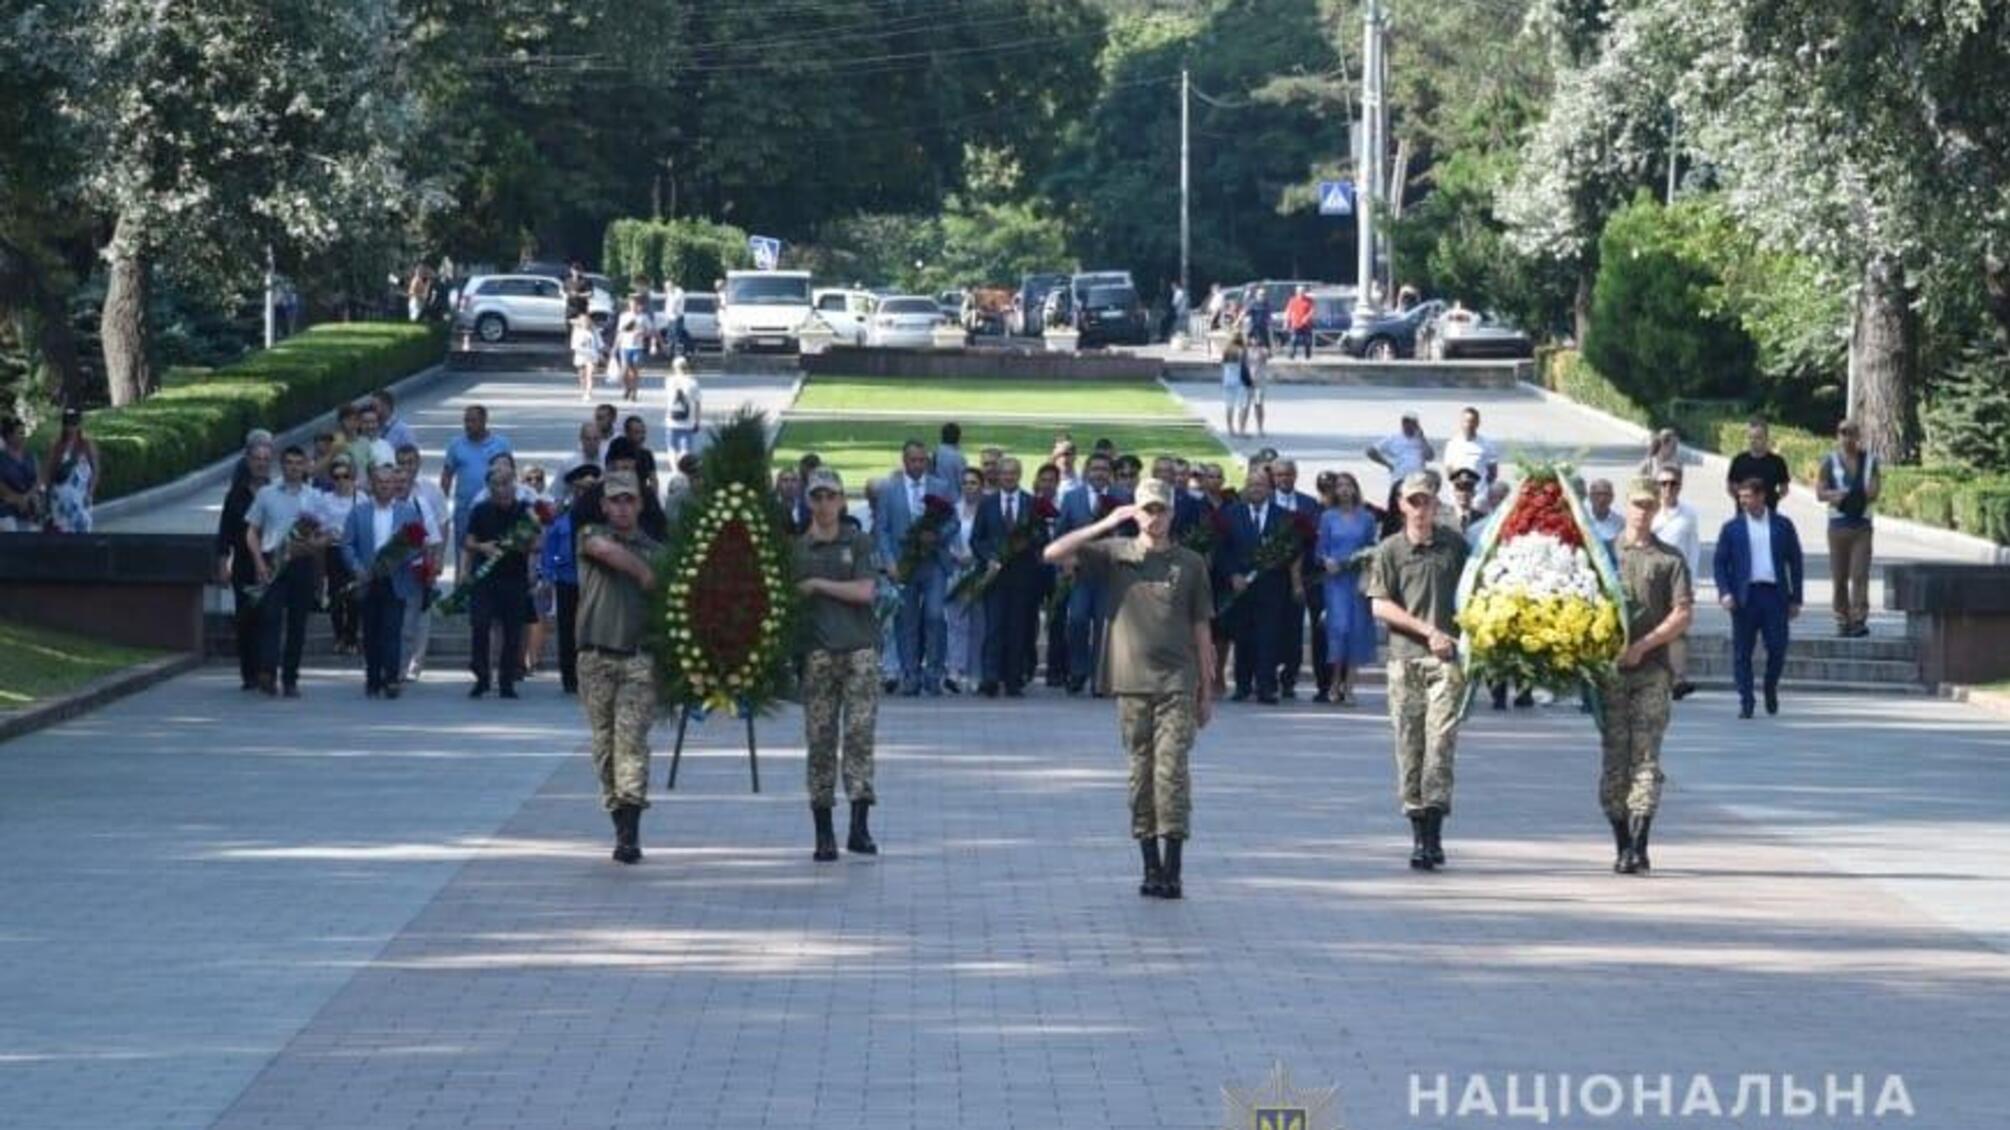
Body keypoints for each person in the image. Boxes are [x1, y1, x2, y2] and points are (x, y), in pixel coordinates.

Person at [1043, 478, 1215, 899]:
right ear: (1136, 512)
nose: (1154, 518)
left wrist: (1207, 687)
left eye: (1161, 510)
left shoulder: (1190, 562)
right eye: (1146, 510)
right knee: (1141, 773)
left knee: (1171, 771)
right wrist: (1107, 522)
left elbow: (1201, 627)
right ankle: (1150, 864)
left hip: (1178, 680)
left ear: (1173, 513)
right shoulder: (1118, 555)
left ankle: (1173, 867)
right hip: (1132, 682)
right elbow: (1053, 553)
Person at [1366, 472, 1470, 871]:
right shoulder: (1390, 549)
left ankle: (1435, 833)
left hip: (1446, 662)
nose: (1420, 509)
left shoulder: (1454, 546)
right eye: (1413, 501)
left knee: (1440, 743)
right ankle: (1416, 831)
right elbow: (1380, 604)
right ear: (1401, 505)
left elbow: (1474, 592)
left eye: (1426, 501)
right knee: (1410, 745)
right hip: (1406, 658)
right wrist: (1428, 631)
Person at [1599, 478, 1695, 875]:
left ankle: (1639, 844)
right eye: (1636, 504)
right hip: (1611, 674)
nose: (1641, 511)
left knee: (1646, 758)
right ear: (1627, 505)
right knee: (1614, 760)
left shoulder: (1669, 560)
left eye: (1648, 505)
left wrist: (1644, 644)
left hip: (1652, 670)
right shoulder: (1603, 554)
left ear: (1656, 509)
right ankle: (1621, 841)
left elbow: (1683, 613)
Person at [792, 469, 884, 861]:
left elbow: (866, 591)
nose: (824, 504)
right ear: (808, 502)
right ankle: (823, 832)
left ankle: (859, 827)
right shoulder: (798, 549)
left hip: (858, 649)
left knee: (860, 736)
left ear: (842, 501)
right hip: (818, 653)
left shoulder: (857, 541)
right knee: (821, 741)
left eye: (831, 496)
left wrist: (817, 586)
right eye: (817, 497)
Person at [574, 470, 663, 864]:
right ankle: (616, 814)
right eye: (616, 501)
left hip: (637, 658)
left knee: (631, 743)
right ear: (605, 505)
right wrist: (643, 572)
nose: (623, 507)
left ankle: (630, 831)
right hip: (595, 656)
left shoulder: (656, 549)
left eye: (630, 500)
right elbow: (605, 552)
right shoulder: (592, 534)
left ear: (640, 505)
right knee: (603, 746)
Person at [1714, 477, 1805, 719]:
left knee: (1777, 647)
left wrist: (1796, 598)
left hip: (1774, 595)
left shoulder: (1782, 525)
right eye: (1740, 498)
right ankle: (1746, 700)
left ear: (1761, 496)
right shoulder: (1731, 528)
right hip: (1745, 596)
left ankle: (1770, 686)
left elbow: (1795, 562)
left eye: (1747, 497)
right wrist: (1725, 592)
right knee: (1742, 651)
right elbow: (1720, 563)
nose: (1743, 502)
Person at [875, 440, 959, 696]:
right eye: (913, 460)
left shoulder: (941, 487)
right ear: (905, 461)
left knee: (934, 616)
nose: (918, 465)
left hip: (933, 563)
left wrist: (937, 536)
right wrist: (889, 563)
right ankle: (910, 674)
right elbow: (882, 530)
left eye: (922, 460)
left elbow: (953, 522)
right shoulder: (889, 489)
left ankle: (933, 673)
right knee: (906, 620)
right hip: (903, 564)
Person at [244, 445, 325, 697]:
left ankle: (291, 678)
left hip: (302, 563)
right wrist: (258, 563)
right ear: (282, 466)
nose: (294, 467)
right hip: (273, 561)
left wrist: (312, 545)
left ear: (306, 466)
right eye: (289, 463)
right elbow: (251, 531)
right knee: (270, 617)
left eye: (298, 463)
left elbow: (325, 535)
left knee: (298, 624)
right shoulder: (267, 494)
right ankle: (268, 672)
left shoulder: (314, 497)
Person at [341, 463, 425, 698]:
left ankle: (391, 678)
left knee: (392, 629)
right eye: (380, 482)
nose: (385, 486)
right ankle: (373, 677)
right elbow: (347, 544)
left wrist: (399, 559)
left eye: (389, 483)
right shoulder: (359, 512)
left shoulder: (407, 512)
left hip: (396, 578)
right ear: (372, 485)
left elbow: (418, 544)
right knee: (370, 630)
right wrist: (357, 568)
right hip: (368, 578)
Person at [1056, 453, 1128, 695]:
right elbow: (1061, 532)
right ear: (1086, 471)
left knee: (1103, 625)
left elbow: (1132, 535)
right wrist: (1065, 559)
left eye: (1104, 469)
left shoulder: (1122, 498)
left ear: (1110, 473)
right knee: (1076, 620)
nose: (1099, 473)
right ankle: (1078, 670)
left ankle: (1100, 678)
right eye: (1095, 468)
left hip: (1109, 574)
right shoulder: (1071, 498)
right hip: (1080, 574)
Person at [971, 456, 1043, 698]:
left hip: (1022, 576)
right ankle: (990, 678)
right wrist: (989, 557)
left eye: (1013, 473)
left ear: (1019, 475)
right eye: (1004, 473)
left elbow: (1041, 537)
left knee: (1017, 628)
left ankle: (1013, 679)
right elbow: (976, 539)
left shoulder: (1031, 503)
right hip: (995, 575)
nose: (1008, 477)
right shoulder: (987, 504)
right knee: (994, 627)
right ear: (998, 476)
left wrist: (1027, 542)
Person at [1218, 466, 1290, 705]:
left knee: (1268, 637)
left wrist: (1273, 564)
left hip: (1271, 586)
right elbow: (1223, 549)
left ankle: (1266, 687)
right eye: (1251, 485)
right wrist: (1233, 574)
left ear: (1270, 489)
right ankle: (1242, 685)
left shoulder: (1283, 516)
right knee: (1243, 637)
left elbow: (1289, 550)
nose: (1256, 489)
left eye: (1260, 485)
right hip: (1240, 588)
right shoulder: (1231, 514)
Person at [463, 462, 536, 699]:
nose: (503, 489)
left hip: (514, 578)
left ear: (514, 485)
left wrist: (524, 543)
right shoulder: (480, 510)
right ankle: (482, 676)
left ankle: (507, 680)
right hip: (485, 577)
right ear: (489, 488)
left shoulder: (525, 510)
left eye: (507, 483)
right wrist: (482, 547)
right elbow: (468, 542)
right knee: (480, 624)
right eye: (497, 484)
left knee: (513, 631)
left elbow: (538, 544)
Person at [1317, 472, 1379, 706]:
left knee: (1357, 630)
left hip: (1357, 580)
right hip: (1335, 582)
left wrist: (1364, 561)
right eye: (1340, 486)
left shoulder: (1367, 518)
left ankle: (1350, 686)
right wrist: (1326, 561)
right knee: (1339, 629)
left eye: (1348, 485)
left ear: (1355, 489)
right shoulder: (1328, 517)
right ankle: (1334, 682)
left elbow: (1372, 548)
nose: (1344, 490)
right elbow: (1319, 549)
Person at [216, 438, 273, 690]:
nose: (261, 464)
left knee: (268, 617)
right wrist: (222, 563)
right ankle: (249, 673)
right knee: (246, 618)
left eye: (265, 459)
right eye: (257, 459)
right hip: (244, 565)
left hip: (273, 563)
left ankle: (266, 669)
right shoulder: (236, 496)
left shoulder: (276, 492)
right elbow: (225, 533)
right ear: (248, 461)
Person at [1817, 419, 1880, 638]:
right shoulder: (1829, 460)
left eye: (1851, 433)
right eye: (1842, 433)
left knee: (1860, 574)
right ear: (1837, 436)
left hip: (1861, 526)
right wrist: (1838, 496)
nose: (1847, 437)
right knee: (1839, 576)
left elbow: (1874, 490)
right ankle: (1842, 618)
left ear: (1858, 436)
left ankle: (1859, 619)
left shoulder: (1870, 461)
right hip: (1838, 527)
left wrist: (1854, 497)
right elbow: (1820, 492)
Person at [542, 463, 599, 695]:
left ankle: (592, 675)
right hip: (567, 580)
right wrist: (546, 576)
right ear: (573, 491)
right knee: (567, 629)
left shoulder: (601, 518)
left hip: (595, 581)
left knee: (594, 629)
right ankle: (569, 677)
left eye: (588, 490)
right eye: (579, 490)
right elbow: (549, 547)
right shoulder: (562, 518)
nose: (582, 494)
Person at [393, 445, 448, 680]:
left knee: (418, 615)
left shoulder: (426, 496)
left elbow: (438, 529)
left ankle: (413, 663)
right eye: (402, 463)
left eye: (410, 462)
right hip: (390, 569)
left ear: (418, 463)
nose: (406, 468)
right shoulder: (383, 498)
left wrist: (436, 562)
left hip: (417, 569)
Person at [1267, 459, 1320, 699]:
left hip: (1302, 575)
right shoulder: (1265, 501)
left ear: (1295, 475)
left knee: (1294, 629)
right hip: (1271, 575)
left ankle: (1289, 679)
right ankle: (1267, 676)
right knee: (1270, 626)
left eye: (1288, 474)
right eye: (1279, 475)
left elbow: (1315, 537)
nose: (1284, 479)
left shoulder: (1309, 504)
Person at [1649, 464, 1702, 700]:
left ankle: (1679, 679)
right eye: (1663, 483)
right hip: (1650, 576)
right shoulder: (1649, 511)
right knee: (1652, 629)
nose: (1668, 488)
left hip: (1679, 576)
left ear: (1680, 485)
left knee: (1678, 629)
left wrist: (1692, 582)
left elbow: (1694, 549)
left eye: (1673, 483)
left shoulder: (1689, 514)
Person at [441, 404, 512, 574]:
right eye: (466, 421)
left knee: (493, 550)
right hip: (465, 510)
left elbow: (510, 473)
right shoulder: (456, 445)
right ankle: (462, 590)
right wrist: (443, 502)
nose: (468, 425)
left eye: (473, 421)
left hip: (494, 508)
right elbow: (447, 474)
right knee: (464, 552)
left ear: (484, 421)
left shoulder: (501, 443)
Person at [313, 453, 363, 656]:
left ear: (352, 476)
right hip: (333, 549)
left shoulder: (361, 498)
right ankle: (338, 636)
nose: (341, 481)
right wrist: (328, 532)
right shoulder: (325, 499)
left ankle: (351, 637)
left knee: (354, 596)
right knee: (335, 595)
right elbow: (318, 525)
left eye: (346, 476)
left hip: (353, 551)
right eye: (337, 476)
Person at [943, 467, 988, 695]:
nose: (969, 487)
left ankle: (974, 672)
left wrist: (976, 556)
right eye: (965, 483)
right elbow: (945, 536)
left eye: (973, 483)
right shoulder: (952, 510)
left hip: (979, 571)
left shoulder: (987, 509)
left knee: (978, 624)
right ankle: (954, 670)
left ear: (981, 485)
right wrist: (955, 554)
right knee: (956, 623)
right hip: (956, 571)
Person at [1366, 412, 1434, 534]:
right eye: (1406, 422)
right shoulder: (1394, 439)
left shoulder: (1419, 440)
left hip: (1418, 482)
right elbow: (1371, 451)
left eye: (1412, 423)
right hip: (1400, 481)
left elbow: (1430, 456)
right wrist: (1387, 464)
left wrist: (1423, 439)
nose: (1409, 425)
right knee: (1396, 513)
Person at [43, 408, 100, 533]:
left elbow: (95, 470)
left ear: (79, 425)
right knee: (61, 531)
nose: (70, 428)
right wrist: (45, 494)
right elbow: (48, 471)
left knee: (82, 530)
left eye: (74, 424)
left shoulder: (86, 445)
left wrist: (90, 493)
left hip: (80, 496)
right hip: (60, 496)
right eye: (68, 424)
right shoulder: (56, 445)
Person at [1726, 417, 1792, 509]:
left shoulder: (1777, 462)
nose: (1753, 441)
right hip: (1743, 515)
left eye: (1758, 437)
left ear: (1766, 438)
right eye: (1750, 437)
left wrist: (1772, 500)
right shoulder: (1739, 460)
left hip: (1769, 514)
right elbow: (1731, 487)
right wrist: (1744, 500)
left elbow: (1784, 489)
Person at [0, 415, 44, 532]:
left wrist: (27, 497)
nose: (23, 436)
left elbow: (38, 480)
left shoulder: (31, 456)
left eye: (23, 433)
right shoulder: (1, 458)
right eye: (19, 433)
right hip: (6, 510)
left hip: (31, 508)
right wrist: (18, 499)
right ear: (9, 436)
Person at [1441, 406, 1501, 486]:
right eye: (1466, 421)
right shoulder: (1452, 444)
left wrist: (1483, 487)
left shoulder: (1487, 444)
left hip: (1480, 493)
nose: (1469, 425)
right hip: (1458, 494)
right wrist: (1459, 486)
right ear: (1461, 423)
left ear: (1478, 423)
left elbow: (1493, 472)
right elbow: (1449, 469)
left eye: (1472, 421)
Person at [612, 294, 653, 403]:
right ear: (629, 305)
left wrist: (642, 333)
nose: (634, 306)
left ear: (640, 306)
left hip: (637, 347)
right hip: (625, 346)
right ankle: (627, 388)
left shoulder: (643, 317)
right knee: (624, 371)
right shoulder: (624, 316)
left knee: (634, 368)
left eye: (636, 304)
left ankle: (634, 392)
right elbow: (619, 332)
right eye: (632, 304)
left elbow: (650, 331)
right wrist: (615, 347)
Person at [664, 357, 702, 456]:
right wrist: (697, 422)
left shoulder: (668, 381)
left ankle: (675, 469)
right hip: (687, 421)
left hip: (671, 419)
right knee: (685, 448)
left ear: (674, 367)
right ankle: (683, 467)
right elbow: (697, 403)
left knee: (672, 448)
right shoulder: (693, 382)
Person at [1237, 338, 1270, 437]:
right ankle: (1242, 429)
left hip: (1259, 382)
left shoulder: (1263, 350)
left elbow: (1266, 356)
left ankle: (1260, 429)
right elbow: (1240, 364)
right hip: (1246, 382)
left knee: (1258, 405)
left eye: (1256, 338)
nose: (1254, 340)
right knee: (1244, 406)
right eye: (1252, 338)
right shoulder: (1244, 351)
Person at [1220, 334, 1249, 436]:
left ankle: (1230, 429)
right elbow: (1244, 366)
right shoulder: (1242, 350)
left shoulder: (1226, 350)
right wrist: (1249, 381)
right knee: (1242, 406)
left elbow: (1223, 364)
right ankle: (1241, 430)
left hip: (1228, 381)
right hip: (1239, 381)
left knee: (1229, 406)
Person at [570, 311, 602, 402]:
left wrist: (602, 353)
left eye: (587, 321)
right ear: (580, 322)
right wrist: (580, 346)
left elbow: (599, 343)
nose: (585, 323)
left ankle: (588, 393)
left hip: (591, 355)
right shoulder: (577, 331)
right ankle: (583, 390)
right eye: (583, 321)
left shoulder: (594, 331)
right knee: (582, 375)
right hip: (581, 356)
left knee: (590, 375)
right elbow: (574, 346)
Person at [1584, 479, 1624, 549]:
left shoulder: (1620, 522)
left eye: (1606, 494)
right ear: (1590, 496)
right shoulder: (1582, 518)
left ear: (1612, 498)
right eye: (1598, 494)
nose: (1602, 499)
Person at [1283, 285, 1316, 360]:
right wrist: (1286, 322)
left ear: (1304, 292)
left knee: (1307, 340)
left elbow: (1312, 311)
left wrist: (1307, 317)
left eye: (1302, 291)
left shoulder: (1309, 300)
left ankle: (1308, 355)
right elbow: (1288, 311)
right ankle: (1292, 355)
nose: (1301, 292)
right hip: (1295, 323)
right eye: (1299, 291)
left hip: (1306, 324)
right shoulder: (1292, 300)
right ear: (1296, 292)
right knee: (1294, 339)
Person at [932, 422, 967, 491]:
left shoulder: (935, 453)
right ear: (958, 437)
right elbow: (963, 481)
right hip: (954, 497)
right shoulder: (958, 457)